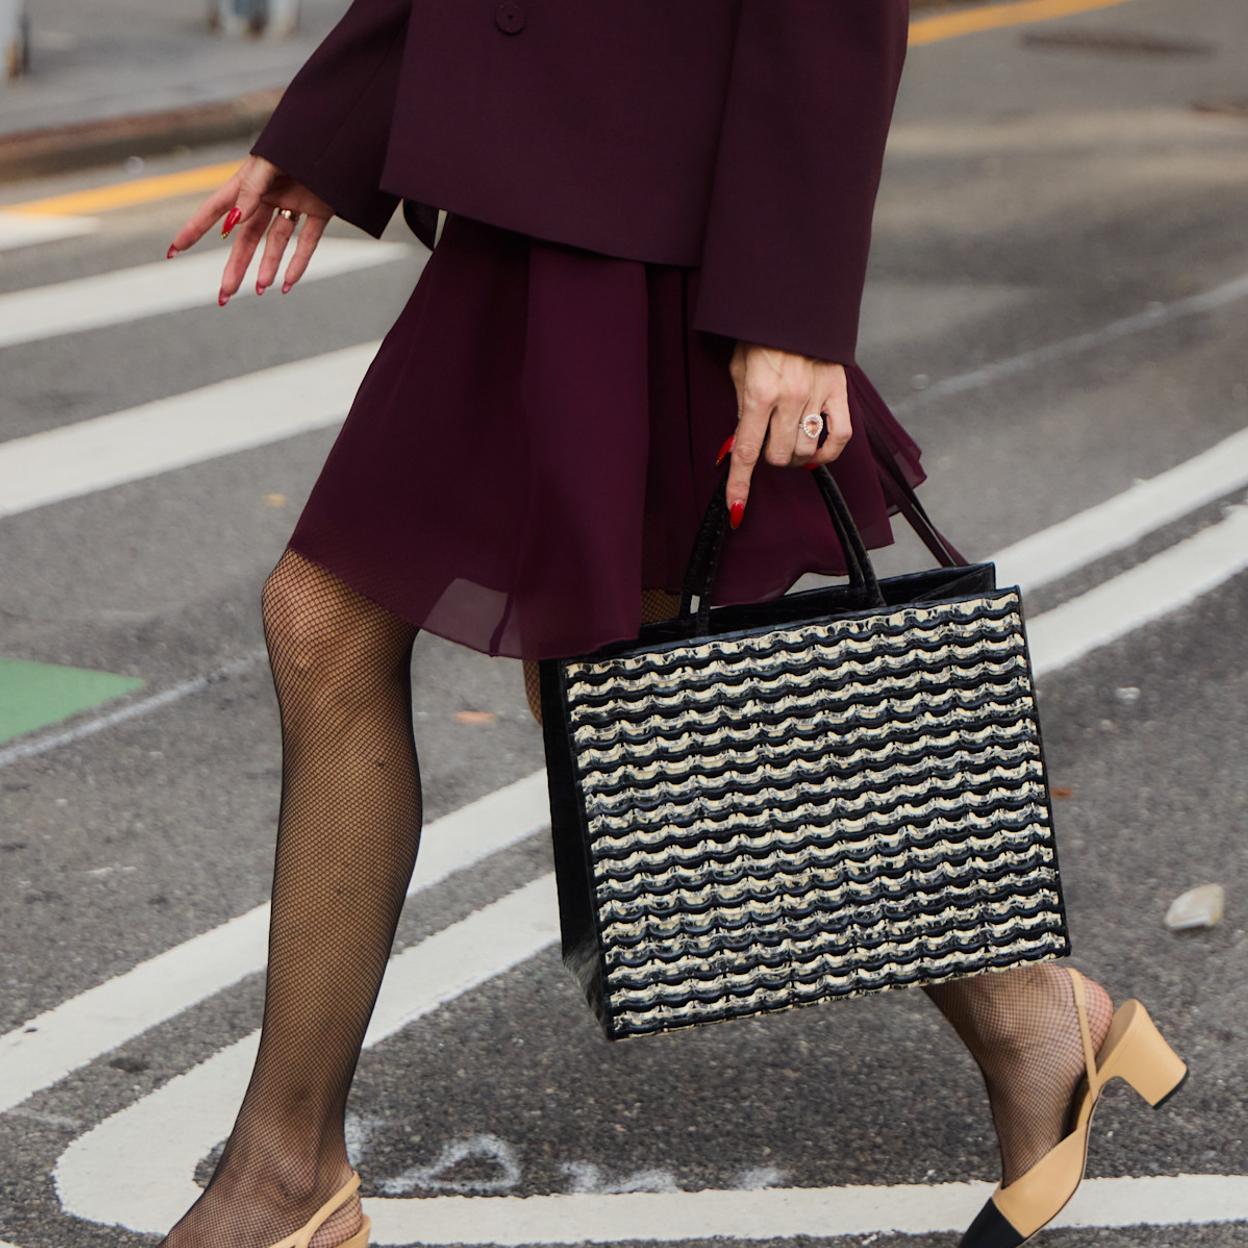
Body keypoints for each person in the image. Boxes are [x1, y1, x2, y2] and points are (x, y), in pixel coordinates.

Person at [156, 4, 1186, 1247]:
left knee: (466, 654)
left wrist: (795, 313)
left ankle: (282, 1178)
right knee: (555, 675)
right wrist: (338, 116)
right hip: (548, 189)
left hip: (646, 211)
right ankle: (1032, 1013)